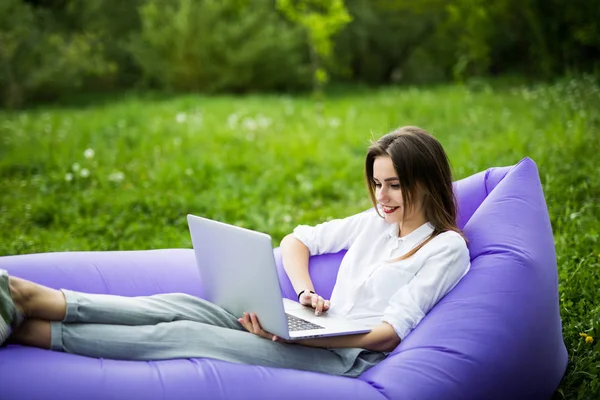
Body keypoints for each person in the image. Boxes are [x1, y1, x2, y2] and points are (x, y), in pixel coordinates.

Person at [0, 126, 470, 378]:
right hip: (317, 327)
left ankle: (27, 332)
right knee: (185, 307)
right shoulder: (375, 223)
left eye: (394, 185)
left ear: (426, 181)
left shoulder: (445, 248)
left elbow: (387, 335)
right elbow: (297, 240)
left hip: (346, 356)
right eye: (376, 183)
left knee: (185, 334)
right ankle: (28, 298)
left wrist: (295, 339)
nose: (382, 196)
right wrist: (305, 295)